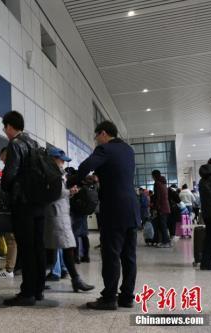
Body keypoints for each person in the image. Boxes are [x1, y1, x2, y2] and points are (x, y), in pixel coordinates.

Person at [68, 120, 139, 310]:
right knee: (129, 256)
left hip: (114, 209)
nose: (96, 141)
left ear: (104, 134)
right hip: (131, 208)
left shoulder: (105, 149)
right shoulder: (128, 150)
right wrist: (98, 177)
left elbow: (84, 166)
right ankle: (126, 297)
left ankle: (108, 298)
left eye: (96, 136)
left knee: (111, 255)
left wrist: (77, 179)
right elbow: (117, 173)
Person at [1, 111, 46, 306]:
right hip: (39, 202)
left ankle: (27, 293)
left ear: (10, 126)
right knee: (38, 246)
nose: (5, 131)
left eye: (5, 127)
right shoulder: (34, 143)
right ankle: (38, 290)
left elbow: (10, 174)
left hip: (24, 203)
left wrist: (5, 186)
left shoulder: (15, 144)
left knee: (26, 248)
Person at [44, 147, 94, 292]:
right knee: (62, 248)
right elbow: (54, 193)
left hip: (60, 214)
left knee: (62, 248)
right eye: (61, 160)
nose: (63, 163)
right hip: (56, 215)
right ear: (53, 159)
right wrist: (69, 192)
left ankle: (73, 279)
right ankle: (74, 279)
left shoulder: (57, 173)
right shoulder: (51, 173)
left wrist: (68, 193)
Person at [0, 147, 17, 279]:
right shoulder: (19, 167)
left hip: (11, 210)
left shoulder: (11, 169)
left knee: (11, 239)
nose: (1, 160)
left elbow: (7, 191)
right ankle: (12, 267)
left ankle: (9, 269)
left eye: (2, 157)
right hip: (18, 209)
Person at [151, 170, 172, 247]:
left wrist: (156, 208)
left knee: (162, 225)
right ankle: (166, 241)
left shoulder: (157, 183)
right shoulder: (163, 183)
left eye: (152, 175)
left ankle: (166, 242)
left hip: (161, 207)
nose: (152, 177)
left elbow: (158, 197)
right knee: (163, 225)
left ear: (154, 175)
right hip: (166, 207)